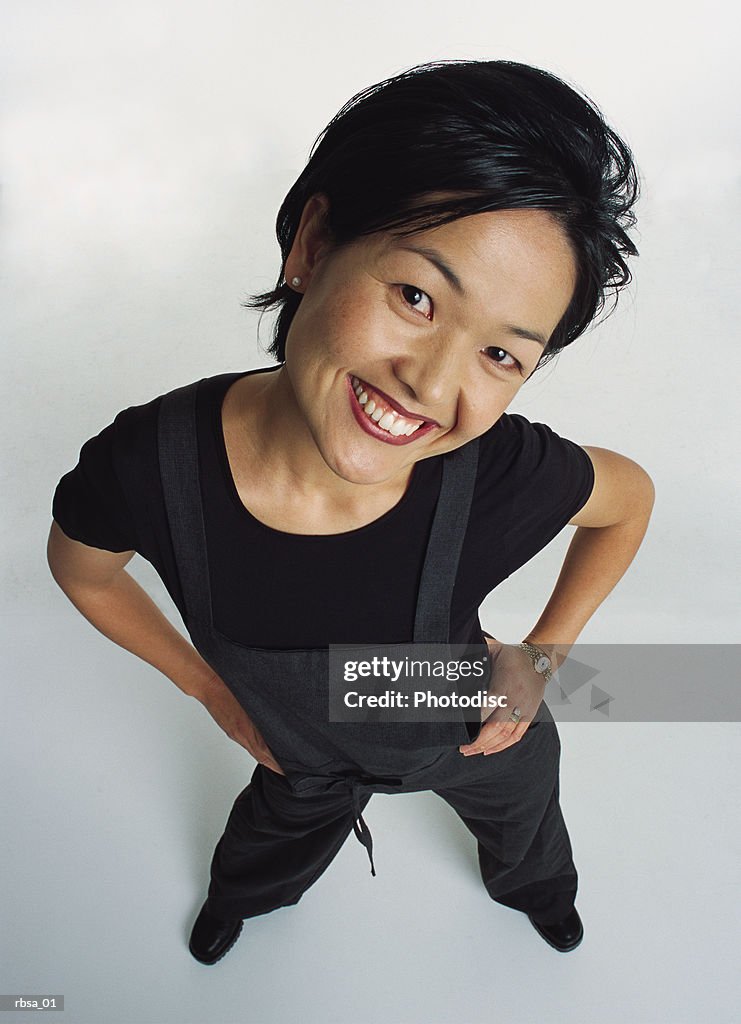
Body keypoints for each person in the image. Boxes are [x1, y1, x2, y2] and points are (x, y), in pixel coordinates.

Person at [47, 59, 654, 963]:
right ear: (315, 245)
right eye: (415, 297)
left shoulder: (495, 474)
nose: (433, 383)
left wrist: (543, 654)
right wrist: (209, 689)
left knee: (527, 817)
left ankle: (535, 894)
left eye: (499, 354)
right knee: (263, 848)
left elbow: (628, 501)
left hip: (461, 724)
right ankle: (242, 906)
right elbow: (81, 571)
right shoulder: (149, 465)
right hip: (300, 755)